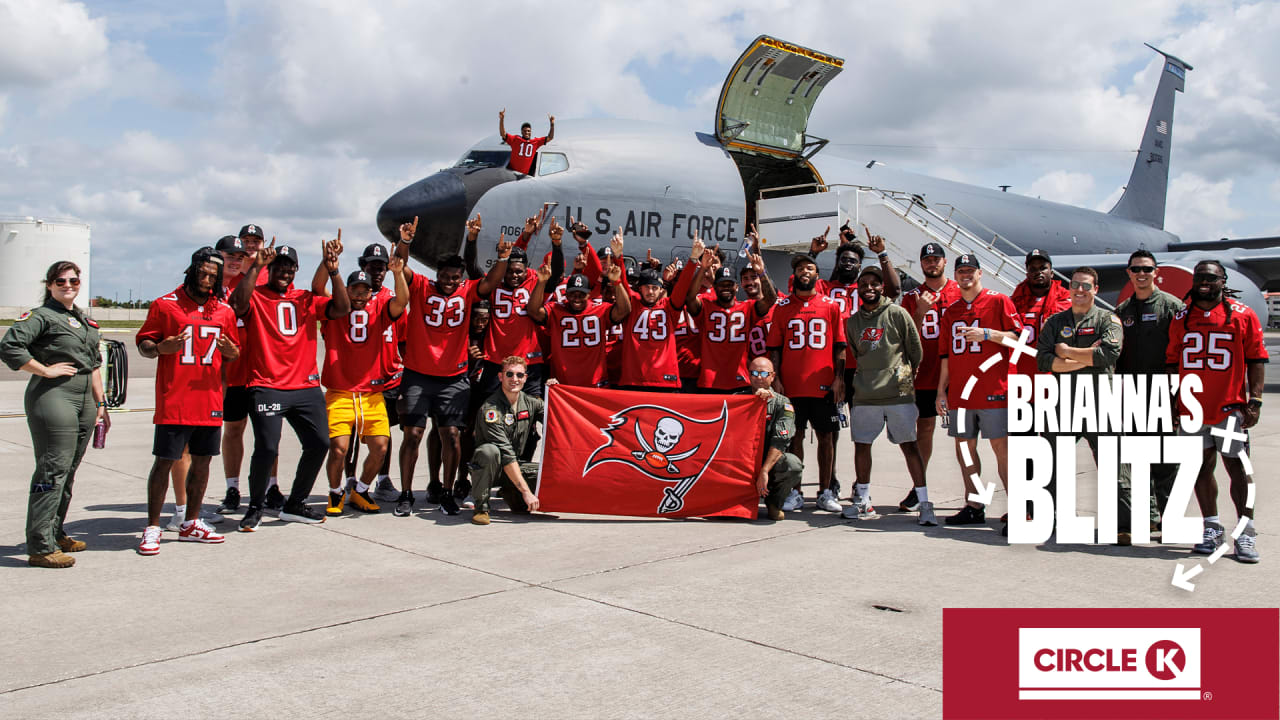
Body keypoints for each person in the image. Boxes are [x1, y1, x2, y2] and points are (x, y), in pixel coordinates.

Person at [229, 237, 350, 530]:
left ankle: (295, 502)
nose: (284, 272)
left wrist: (334, 271)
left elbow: (342, 308)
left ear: (296, 270)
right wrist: (256, 267)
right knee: (267, 448)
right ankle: (255, 506)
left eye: (290, 268)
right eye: (279, 267)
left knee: (320, 443)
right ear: (271, 269)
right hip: (267, 384)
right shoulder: (256, 295)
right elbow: (236, 303)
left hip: (305, 387)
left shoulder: (305, 299)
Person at [392, 218, 507, 517]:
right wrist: (405, 241)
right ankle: (405, 494)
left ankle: (446, 492)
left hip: (453, 378)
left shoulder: (467, 290)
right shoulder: (420, 286)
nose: (450, 281)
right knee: (413, 434)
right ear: (437, 274)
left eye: (455, 277)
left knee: (452, 436)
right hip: (418, 374)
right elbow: (401, 266)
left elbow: (491, 283)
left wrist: (504, 258)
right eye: (445, 275)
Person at [0, 261, 108, 568]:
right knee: (53, 468)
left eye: (73, 280)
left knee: (68, 469)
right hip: (54, 396)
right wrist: (44, 370)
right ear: (50, 284)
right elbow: (10, 346)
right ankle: (40, 545)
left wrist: (101, 405)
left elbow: (94, 365)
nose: (68, 284)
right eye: (60, 280)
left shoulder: (86, 322)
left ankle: (55, 531)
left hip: (84, 398)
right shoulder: (42, 317)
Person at [136, 248, 240, 555]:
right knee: (164, 462)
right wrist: (159, 348)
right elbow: (144, 343)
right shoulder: (165, 305)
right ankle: (153, 526)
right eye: (203, 273)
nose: (207, 280)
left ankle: (191, 523)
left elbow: (233, 350)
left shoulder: (223, 310)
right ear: (191, 270)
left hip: (208, 397)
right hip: (175, 397)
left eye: (213, 276)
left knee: (203, 461)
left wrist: (232, 352)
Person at [1166, 260, 1267, 562]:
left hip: (1228, 406)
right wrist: (1174, 402)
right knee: (1199, 468)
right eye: (1200, 277)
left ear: (1223, 280)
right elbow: (1172, 363)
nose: (1204, 282)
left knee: (1237, 467)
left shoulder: (1242, 315)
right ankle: (1211, 527)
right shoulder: (1181, 318)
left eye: (1211, 278)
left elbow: (1256, 359)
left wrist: (1256, 399)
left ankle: (1245, 532)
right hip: (1193, 408)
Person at [1035, 267, 1131, 543]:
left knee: (1115, 466)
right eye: (1075, 285)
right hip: (1062, 404)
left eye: (1086, 286)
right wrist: (1086, 357)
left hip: (1101, 403)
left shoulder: (1107, 320)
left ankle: (1123, 525)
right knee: (1053, 465)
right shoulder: (1054, 322)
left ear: (1096, 290)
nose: (1079, 290)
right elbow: (1043, 359)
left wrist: (1065, 353)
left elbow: (1109, 354)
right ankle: (1052, 518)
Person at [936, 254, 1023, 530]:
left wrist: (989, 334)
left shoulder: (998, 301)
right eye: (960, 271)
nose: (965, 275)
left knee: (1002, 449)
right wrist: (941, 391)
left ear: (980, 273)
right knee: (965, 448)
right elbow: (946, 356)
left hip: (993, 388)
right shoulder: (951, 311)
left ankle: (1018, 509)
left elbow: (1018, 338)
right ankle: (974, 505)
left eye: (970, 270)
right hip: (961, 392)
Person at [844, 265, 934, 525]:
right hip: (865, 395)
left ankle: (925, 503)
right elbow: (857, 353)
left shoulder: (897, 313)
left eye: (874, 283)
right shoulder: (853, 321)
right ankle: (862, 501)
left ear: (882, 287)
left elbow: (914, 350)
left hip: (898, 395)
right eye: (864, 284)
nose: (869, 288)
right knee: (862, 446)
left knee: (910, 447)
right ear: (858, 289)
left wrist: (902, 377)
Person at [319, 261, 410, 516]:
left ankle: (361, 489)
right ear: (346, 290)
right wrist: (330, 266)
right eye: (355, 290)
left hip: (371, 392)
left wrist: (397, 273)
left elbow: (402, 300)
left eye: (365, 291)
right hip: (341, 391)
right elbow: (318, 286)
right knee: (339, 448)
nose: (360, 295)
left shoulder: (380, 308)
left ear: (372, 292)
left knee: (380, 446)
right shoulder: (335, 309)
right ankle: (336, 491)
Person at [767, 254, 847, 513]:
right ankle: (795, 491)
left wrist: (839, 378)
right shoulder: (782, 308)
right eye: (800, 268)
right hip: (791, 385)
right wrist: (776, 378)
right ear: (795, 275)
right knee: (795, 438)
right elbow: (775, 348)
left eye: (809, 268)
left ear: (816, 274)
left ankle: (825, 491)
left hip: (822, 382)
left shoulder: (830, 306)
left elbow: (840, 346)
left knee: (826, 437)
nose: (805, 272)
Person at [1115, 249, 1183, 528]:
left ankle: (1170, 516)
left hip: (1164, 394)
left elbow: (1183, 353)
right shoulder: (1122, 311)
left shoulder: (1172, 307)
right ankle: (1150, 516)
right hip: (1131, 394)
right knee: (1138, 460)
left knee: (1166, 461)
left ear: (1156, 272)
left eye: (1147, 269)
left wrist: (1179, 397)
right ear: (1129, 273)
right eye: (1136, 269)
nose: (1141, 274)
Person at [217, 225, 276, 514]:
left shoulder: (257, 277)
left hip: (261, 369)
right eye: (243, 244)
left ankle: (271, 485)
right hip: (232, 372)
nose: (250, 248)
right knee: (234, 428)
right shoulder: (216, 284)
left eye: (255, 242)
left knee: (268, 431)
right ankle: (232, 487)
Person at [898, 243, 962, 509]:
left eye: (936, 259)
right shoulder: (913, 296)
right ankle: (919, 486)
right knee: (924, 428)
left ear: (945, 262)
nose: (931, 263)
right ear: (921, 264)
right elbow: (903, 334)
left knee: (965, 435)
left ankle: (973, 495)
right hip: (925, 373)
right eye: (927, 260)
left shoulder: (960, 292)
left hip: (958, 373)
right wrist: (920, 312)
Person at [477, 219, 565, 400]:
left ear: (527, 270)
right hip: (496, 359)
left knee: (533, 409)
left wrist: (557, 244)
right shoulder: (494, 284)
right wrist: (524, 237)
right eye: (510, 272)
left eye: (519, 272)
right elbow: (510, 260)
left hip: (529, 359)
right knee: (487, 410)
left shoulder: (534, 281)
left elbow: (555, 274)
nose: (514, 275)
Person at [529, 234, 630, 388]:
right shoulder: (556, 309)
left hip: (595, 382)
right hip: (563, 385)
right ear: (566, 294)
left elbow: (624, 310)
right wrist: (541, 282)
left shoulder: (600, 310)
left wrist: (617, 282)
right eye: (573, 294)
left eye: (581, 294)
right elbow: (534, 310)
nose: (577, 298)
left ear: (589, 295)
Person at [685, 235, 777, 393]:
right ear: (715, 287)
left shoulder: (748, 308)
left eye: (729, 284)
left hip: (739, 380)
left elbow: (770, 299)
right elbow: (690, 298)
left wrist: (761, 272)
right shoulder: (706, 307)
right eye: (722, 285)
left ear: (736, 287)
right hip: (709, 381)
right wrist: (703, 268)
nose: (725, 288)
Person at [469, 356, 545, 525]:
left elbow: (558, 415)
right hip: (491, 469)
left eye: (519, 375)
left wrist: (555, 390)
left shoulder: (531, 403)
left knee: (547, 473)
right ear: (500, 377)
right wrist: (526, 491)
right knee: (489, 451)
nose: (514, 379)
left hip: (515, 465)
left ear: (525, 378)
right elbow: (505, 452)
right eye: (509, 374)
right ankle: (481, 507)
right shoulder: (490, 409)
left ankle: (512, 494)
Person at [616, 231, 696, 391]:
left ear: (661, 290)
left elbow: (682, 287)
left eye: (654, 288)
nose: (651, 292)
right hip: (634, 381)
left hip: (665, 381)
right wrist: (618, 256)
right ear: (640, 289)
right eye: (646, 287)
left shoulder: (669, 307)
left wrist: (693, 260)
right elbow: (623, 283)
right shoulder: (632, 305)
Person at [748, 357, 803, 520]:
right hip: (743, 460)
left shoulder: (782, 404)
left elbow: (780, 441)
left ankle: (774, 502)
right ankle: (736, 502)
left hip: (768, 461)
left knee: (792, 465)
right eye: (754, 373)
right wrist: (752, 402)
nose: (759, 377)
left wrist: (764, 471)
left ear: (772, 376)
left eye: (764, 373)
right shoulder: (737, 399)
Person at [1010, 249, 1071, 376]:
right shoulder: (1013, 303)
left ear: (1052, 273)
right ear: (1027, 274)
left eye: (1043, 268)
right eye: (1033, 269)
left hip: (1055, 372)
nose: (1038, 272)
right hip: (1022, 372)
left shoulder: (1067, 302)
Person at [499, 109, 554, 175]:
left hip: (524, 177)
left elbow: (550, 137)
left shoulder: (536, 142)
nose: (527, 132)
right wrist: (501, 119)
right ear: (521, 132)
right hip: (511, 174)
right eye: (525, 131)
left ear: (531, 132)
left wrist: (552, 125)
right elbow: (503, 134)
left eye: (528, 131)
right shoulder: (515, 139)